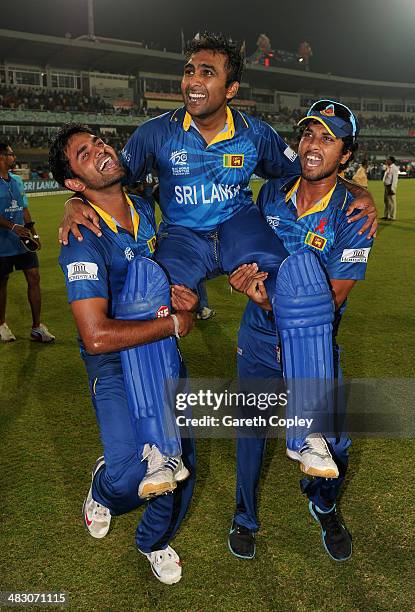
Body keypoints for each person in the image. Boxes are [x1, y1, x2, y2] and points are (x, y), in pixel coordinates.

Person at [49, 124, 196, 585]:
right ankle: (102, 489)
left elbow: (161, 278)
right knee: (130, 474)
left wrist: (179, 299)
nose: (100, 151)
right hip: (113, 359)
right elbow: (94, 336)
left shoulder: (145, 209)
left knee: (174, 461)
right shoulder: (81, 234)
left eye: (99, 142)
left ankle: (153, 541)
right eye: (83, 153)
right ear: (74, 183)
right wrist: (172, 323)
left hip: (158, 352)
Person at [228, 100, 374, 562]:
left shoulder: (355, 215)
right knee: (249, 434)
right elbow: (233, 230)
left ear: (345, 154)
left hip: (312, 349)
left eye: (328, 139)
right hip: (256, 342)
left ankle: (324, 504)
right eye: (309, 134)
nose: (314, 145)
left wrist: (270, 299)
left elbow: (329, 299)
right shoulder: (272, 193)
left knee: (332, 444)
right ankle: (244, 516)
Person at [0, 142, 55, 343]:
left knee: (34, 276)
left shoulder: (16, 180)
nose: (14, 157)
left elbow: (23, 209)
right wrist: (12, 227)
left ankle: (36, 327)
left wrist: (35, 234)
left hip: (22, 241)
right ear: (1, 157)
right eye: (10, 154)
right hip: (2, 243)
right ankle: (2, 325)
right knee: (2, 282)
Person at [382, 155, 399, 220]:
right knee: (386, 201)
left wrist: (392, 188)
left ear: (391, 161)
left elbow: (395, 179)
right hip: (386, 186)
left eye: (388, 159)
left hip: (390, 186)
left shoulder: (394, 168)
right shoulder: (388, 167)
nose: (387, 160)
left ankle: (392, 216)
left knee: (392, 202)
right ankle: (386, 215)